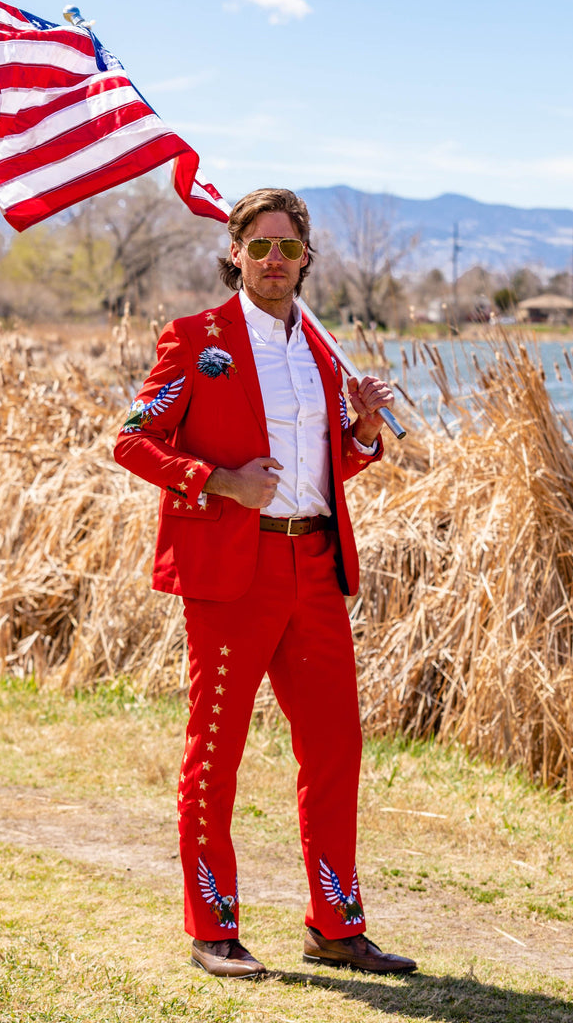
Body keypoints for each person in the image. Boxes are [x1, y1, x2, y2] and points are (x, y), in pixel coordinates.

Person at [113, 187, 417, 979]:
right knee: (215, 754)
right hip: (231, 578)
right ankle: (214, 930)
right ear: (236, 253)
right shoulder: (194, 339)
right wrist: (217, 481)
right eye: (261, 246)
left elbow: (329, 467)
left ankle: (335, 926)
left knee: (335, 748)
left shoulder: (321, 348)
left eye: (289, 247)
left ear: (306, 257)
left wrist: (361, 429)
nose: (274, 260)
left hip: (314, 567)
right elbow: (132, 441)